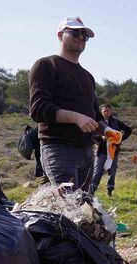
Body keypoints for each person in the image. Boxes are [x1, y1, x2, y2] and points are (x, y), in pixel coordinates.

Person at [29, 16, 103, 190]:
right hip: (59, 149)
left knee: (83, 205)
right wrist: (76, 118)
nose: (80, 38)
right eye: (75, 33)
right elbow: (38, 109)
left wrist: (107, 130)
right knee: (69, 206)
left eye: (84, 36)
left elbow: (95, 114)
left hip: (86, 151)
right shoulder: (45, 65)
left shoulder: (87, 76)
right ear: (60, 35)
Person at [90, 103, 132, 196]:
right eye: (104, 111)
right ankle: (91, 190)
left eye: (108, 110)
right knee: (98, 171)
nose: (106, 112)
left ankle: (109, 191)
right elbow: (92, 134)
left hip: (113, 150)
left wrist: (119, 139)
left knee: (112, 172)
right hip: (101, 150)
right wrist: (101, 138)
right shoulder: (98, 122)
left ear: (111, 111)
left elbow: (128, 130)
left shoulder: (116, 122)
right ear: (101, 112)